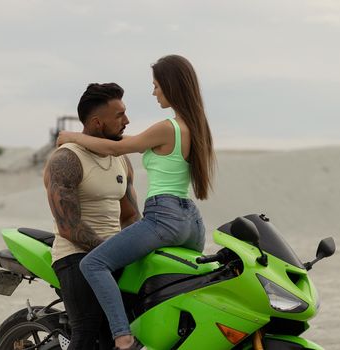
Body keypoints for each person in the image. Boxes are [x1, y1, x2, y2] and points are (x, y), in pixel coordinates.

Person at [57, 54, 216, 350]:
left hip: (164, 216)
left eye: (156, 85)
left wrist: (71, 137)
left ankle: (123, 337)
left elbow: (118, 148)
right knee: (175, 283)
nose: (154, 92)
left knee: (94, 264)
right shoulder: (194, 126)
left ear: (170, 85)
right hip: (191, 221)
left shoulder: (167, 126)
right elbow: (127, 142)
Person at [44, 82, 141, 350]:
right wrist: (111, 253)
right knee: (86, 332)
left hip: (112, 252)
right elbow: (69, 226)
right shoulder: (66, 159)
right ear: (98, 123)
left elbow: (131, 214)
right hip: (75, 254)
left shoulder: (120, 159)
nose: (127, 121)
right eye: (119, 116)